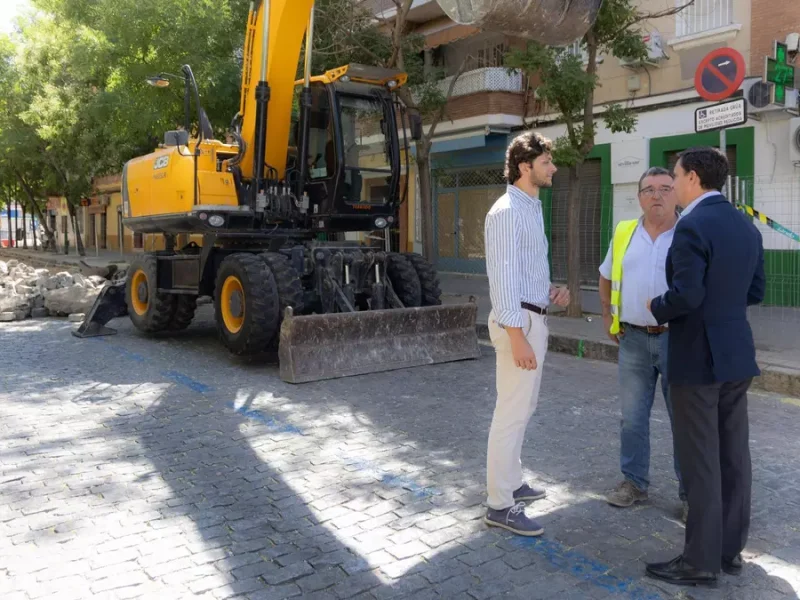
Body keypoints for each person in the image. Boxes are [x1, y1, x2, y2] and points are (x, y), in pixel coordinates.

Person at [644, 147, 765, 587]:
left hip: (697, 358)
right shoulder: (745, 225)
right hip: (737, 354)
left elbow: (687, 295)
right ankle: (728, 551)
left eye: (675, 177)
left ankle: (699, 561)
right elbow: (755, 291)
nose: (672, 185)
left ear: (693, 178)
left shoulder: (692, 225)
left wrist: (657, 306)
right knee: (733, 457)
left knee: (700, 463)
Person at [483, 131, 571, 537]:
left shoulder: (530, 207)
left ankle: (513, 481)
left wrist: (550, 291)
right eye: (546, 162)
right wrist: (517, 336)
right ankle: (500, 504)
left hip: (533, 317)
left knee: (523, 408)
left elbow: (523, 270)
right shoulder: (506, 212)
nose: (553, 168)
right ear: (524, 166)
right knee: (510, 413)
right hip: (517, 322)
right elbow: (502, 280)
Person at [598, 167, 686, 519]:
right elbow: (605, 275)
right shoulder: (625, 232)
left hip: (678, 340)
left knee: (685, 420)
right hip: (633, 339)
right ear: (639, 198)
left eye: (665, 188)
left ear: (676, 194)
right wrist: (607, 315)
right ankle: (634, 483)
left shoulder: (689, 233)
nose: (656, 195)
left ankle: (691, 492)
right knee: (632, 419)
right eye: (648, 190)